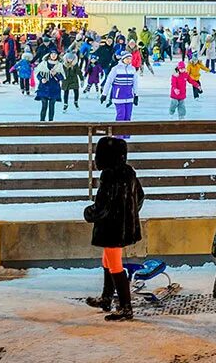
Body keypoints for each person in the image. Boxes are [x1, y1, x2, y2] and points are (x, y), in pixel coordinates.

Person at [83, 137, 144, 321]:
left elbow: (102, 207)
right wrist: (129, 214)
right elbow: (140, 196)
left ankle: (125, 307)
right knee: (107, 261)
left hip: (112, 228)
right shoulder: (129, 172)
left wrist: (89, 213)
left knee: (115, 265)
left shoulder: (109, 176)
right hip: (122, 227)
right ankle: (106, 298)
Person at [102, 52, 139, 124]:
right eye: (127, 59)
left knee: (128, 117)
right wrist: (104, 94)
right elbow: (108, 82)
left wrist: (136, 95)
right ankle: (119, 135)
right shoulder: (116, 69)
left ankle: (126, 135)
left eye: (130, 59)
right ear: (123, 59)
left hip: (129, 96)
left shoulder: (132, 69)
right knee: (121, 116)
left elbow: (135, 83)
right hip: (119, 96)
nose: (129, 60)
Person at [35, 51, 64, 122]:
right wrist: (41, 79)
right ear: (49, 55)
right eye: (52, 54)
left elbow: (62, 77)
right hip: (43, 87)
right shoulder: (43, 64)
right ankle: (42, 121)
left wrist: (56, 74)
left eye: (55, 54)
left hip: (54, 88)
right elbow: (38, 74)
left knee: (52, 106)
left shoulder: (59, 65)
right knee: (44, 105)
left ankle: (51, 122)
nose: (54, 56)